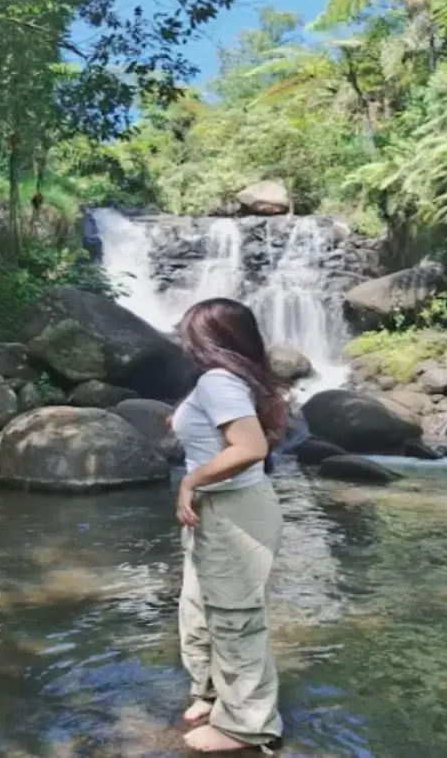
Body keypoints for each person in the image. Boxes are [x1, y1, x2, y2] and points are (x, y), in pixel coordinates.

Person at [168, 297, 286, 754]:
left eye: (187, 332)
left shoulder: (219, 381)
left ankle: (247, 726)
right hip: (221, 508)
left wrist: (190, 481)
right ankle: (213, 693)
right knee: (199, 608)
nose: (181, 340)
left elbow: (250, 447)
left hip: (235, 511)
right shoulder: (233, 380)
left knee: (235, 618)